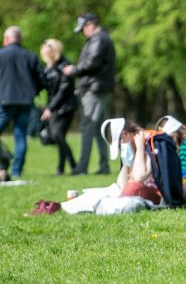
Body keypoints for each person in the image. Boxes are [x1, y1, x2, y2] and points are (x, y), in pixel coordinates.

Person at [64, 13, 115, 175]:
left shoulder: (98, 39)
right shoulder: (102, 38)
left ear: (91, 24)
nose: (83, 33)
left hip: (94, 89)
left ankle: (82, 167)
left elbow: (91, 62)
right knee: (100, 128)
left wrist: (74, 69)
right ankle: (104, 166)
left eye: (83, 28)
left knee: (87, 126)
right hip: (98, 88)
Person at [0, 26, 45, 177]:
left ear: (6, 39)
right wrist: (34, 91)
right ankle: (16, 171)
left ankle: (3, 163)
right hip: (26, 102)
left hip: (4, 101)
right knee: (20, 137)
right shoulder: (30, 56)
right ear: (20, 39)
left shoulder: (1, 55)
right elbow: (42, 79)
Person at [39, 39, 79, 175]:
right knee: (59, 136)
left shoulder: (64, 66)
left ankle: (73, 164)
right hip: (55, 107)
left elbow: (63, 91)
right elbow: (47, 89)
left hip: (66, 107)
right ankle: (61, 168)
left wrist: (50, 108)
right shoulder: (49, 67)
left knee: (57, 135)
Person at [101, 118, 163, 204]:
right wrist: (127, 163)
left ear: (125, 134)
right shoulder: (132, 148)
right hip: (143, 192)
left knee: (131, 187)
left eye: (120, 146)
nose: (121, 149)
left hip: (157, 193)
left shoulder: (150, 141)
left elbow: (139, 177)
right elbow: (121, 184)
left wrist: (140, 149)